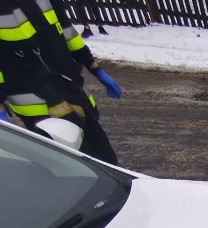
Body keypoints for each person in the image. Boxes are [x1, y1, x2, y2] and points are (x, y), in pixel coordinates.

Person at [0, 0, 122, 163]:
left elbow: (68, 33)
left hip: (71, 91)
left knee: (106, 160)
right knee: (66, 167)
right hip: (38, 109)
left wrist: (95, 68)